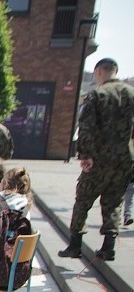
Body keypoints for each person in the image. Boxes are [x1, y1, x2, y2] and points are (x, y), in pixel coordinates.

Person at [58, 57, 134, 261]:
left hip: (99, 160)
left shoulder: (97, 94)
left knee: (83, 200)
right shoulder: (131, 94)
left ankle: (75, 245)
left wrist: (85, 155)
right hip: (123, 160)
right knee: (114, 202)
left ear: (99, 72)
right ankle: (109, 246)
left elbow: (86, 127)